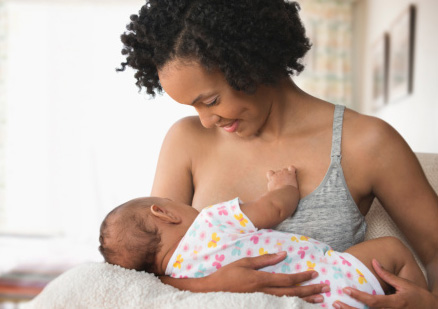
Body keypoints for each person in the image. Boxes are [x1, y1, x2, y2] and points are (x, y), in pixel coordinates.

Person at [117, 0, 438, 307]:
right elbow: (146, 272)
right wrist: (208, 285)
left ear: (249, 62)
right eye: (193, 106)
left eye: (211, 100)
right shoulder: (186, 140)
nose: (205, 120)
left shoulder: (367, 142)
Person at [99, 166, 426, 308]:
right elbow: (274, 208)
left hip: (311, 303)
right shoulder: (210, 221)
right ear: (164, 213)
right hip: (335, 279)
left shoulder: (176, 280)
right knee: (393, 249)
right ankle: (410, 295)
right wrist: (283, 186)